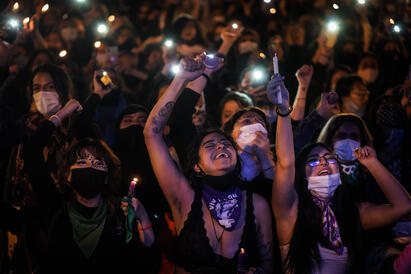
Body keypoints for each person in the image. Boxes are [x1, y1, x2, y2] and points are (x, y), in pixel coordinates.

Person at [269, 73, 411, 273]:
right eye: (313, 160)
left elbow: (403, 206)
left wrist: (373, 163)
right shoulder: (291, 210)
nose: (323, 162)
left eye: (329, 159)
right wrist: (283, 111)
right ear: (302, 175)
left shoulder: (355, 211)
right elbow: (286, 163)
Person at [144, 55, 273, 273]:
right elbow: (151, 132)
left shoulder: (257, 203)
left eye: (225, 143)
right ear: (196, 165)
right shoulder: (183, 196)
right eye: (210, 145)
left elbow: (268, 264)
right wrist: (181, 79)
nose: (221, 147)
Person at [23, 97, 157, 272]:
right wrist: (62, 113)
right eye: (82, 161)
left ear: (107, 176)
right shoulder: (55, 207)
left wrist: (142, 217)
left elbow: (147, 258)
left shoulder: (120, 213)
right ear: (68, 175)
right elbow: (32, 150)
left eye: (98, 162)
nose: (90, 165)